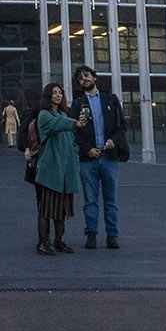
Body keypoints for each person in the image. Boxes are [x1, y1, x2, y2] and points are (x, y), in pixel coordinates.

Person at [72, 64, 126, 250]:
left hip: (109, 157)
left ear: (94, 77)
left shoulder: (111, 100)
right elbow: (74, 131)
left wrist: (113, 141)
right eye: (80, 78)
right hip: (88, 160)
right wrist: (87, 149)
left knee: (111, 200)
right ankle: (91, 234)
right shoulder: (77, 104)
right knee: (90, 200)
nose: (84, 79)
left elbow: (121, 127)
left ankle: (112, 235)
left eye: (87, 75)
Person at [29, 81, 84, 255]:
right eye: (54, 92)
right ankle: (43, 243)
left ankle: (59, 241)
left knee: (61, 210)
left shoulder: (62, 113)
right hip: (50, 169)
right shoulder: (44, 114)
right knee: (46, 209)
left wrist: (75, 152)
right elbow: (58, 124)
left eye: (60, 92)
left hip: (65, 169)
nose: (58, 95)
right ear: (48, 95)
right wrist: (75, 122)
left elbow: (71, 138)